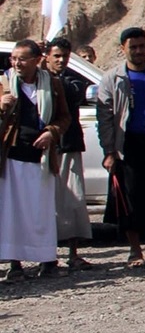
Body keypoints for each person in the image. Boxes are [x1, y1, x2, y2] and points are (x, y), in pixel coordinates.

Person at [97, 27, 145, 268]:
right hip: (127, 145)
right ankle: (135, 251)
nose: (139, 51)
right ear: (123, 49)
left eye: (142, 46)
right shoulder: (113, 79)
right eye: (134, 47)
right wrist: (109, 151)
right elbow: (105, 118)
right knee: (129, 199)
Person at [1, 39, 67, 282]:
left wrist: (51, 132)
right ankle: (15, 263)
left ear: (37, 60)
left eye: (22, 59)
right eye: (14, 59)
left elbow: (64, 117)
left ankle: (47, 260)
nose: (17, 63)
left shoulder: (52, 84)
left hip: (41, 158)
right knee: (13, 211)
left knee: (41, 211)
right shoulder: (4, 83)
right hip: (12, 156)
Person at [44, 38, 94, 273]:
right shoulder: (37, 80)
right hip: (44, 148)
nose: (61, 60)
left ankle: (73, 254)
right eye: (56, 56)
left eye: (65, 56)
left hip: (68, 145)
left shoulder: (72, 81)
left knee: (73, 199)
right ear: (47, 57)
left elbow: (71, 94)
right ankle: (46, 256)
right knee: (45, 202)